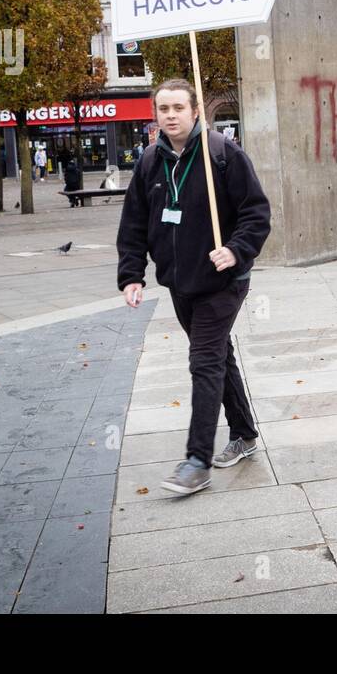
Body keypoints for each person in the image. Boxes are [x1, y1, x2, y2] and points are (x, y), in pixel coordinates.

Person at [117, 78, 272, 496]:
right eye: (163, 109)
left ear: (195, 111)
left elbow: (256, 213)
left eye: (178, 108)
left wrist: (236, 250)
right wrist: (132, 274)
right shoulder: (150, 160)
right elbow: (133, 222)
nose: (170, 116)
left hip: (223, 281)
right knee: (218, 354)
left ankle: (197, 461)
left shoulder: (224, 154)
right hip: (179, 281)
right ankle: (244, 433)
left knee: (203, 360)